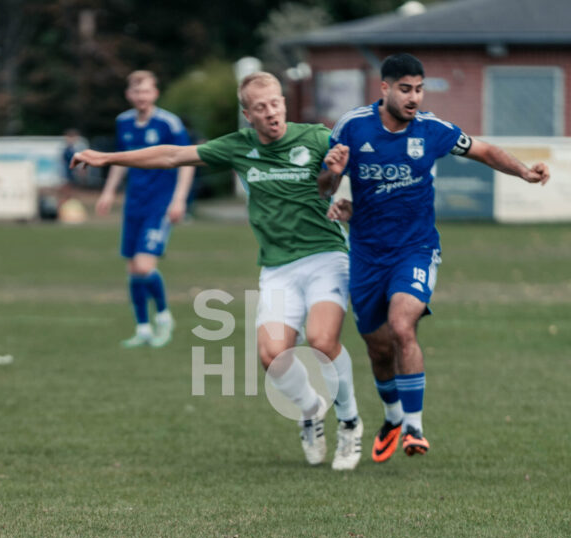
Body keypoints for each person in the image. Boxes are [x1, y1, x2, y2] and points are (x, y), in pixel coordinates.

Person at [72, 72, 365, 470]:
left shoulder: (315, 137)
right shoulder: (239, 146)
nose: (271, 112)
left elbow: (348, 173)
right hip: (277, 266)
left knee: (321, 340)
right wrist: (107, 158)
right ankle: (311, 409)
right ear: (248, 115)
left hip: (326, 257)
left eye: (275, 103)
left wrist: (343, 191)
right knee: (272, 356)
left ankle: (349, 423)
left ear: (284, 103)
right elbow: (172, 156)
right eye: (260, 108)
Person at [318, 53, 549, 461]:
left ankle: (414, 427)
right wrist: (333, 178)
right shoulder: (352, 126)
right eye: (405, 89)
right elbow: (324, 186)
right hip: (367, 254)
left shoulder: (432, 129)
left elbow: (483, 150)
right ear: (385, 88)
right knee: (378, 348)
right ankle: (392, 418)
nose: (414, 98)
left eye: (420, 89)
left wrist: (524, 172)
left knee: (402, 326)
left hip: (416, 249)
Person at [95, 70, 195, 349]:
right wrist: (108, 192)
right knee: (132, 269)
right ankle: (143, 328)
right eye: (137, 91)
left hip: (159, 204)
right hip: (134, 203)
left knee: (144, 265)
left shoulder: (168, 123)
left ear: (155, 93)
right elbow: (121, 160)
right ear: (129, 94)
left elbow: (187, 160)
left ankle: (164, 317)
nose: (142, 96)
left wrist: (179, 199)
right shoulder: (124, 122)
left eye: (147, 91)